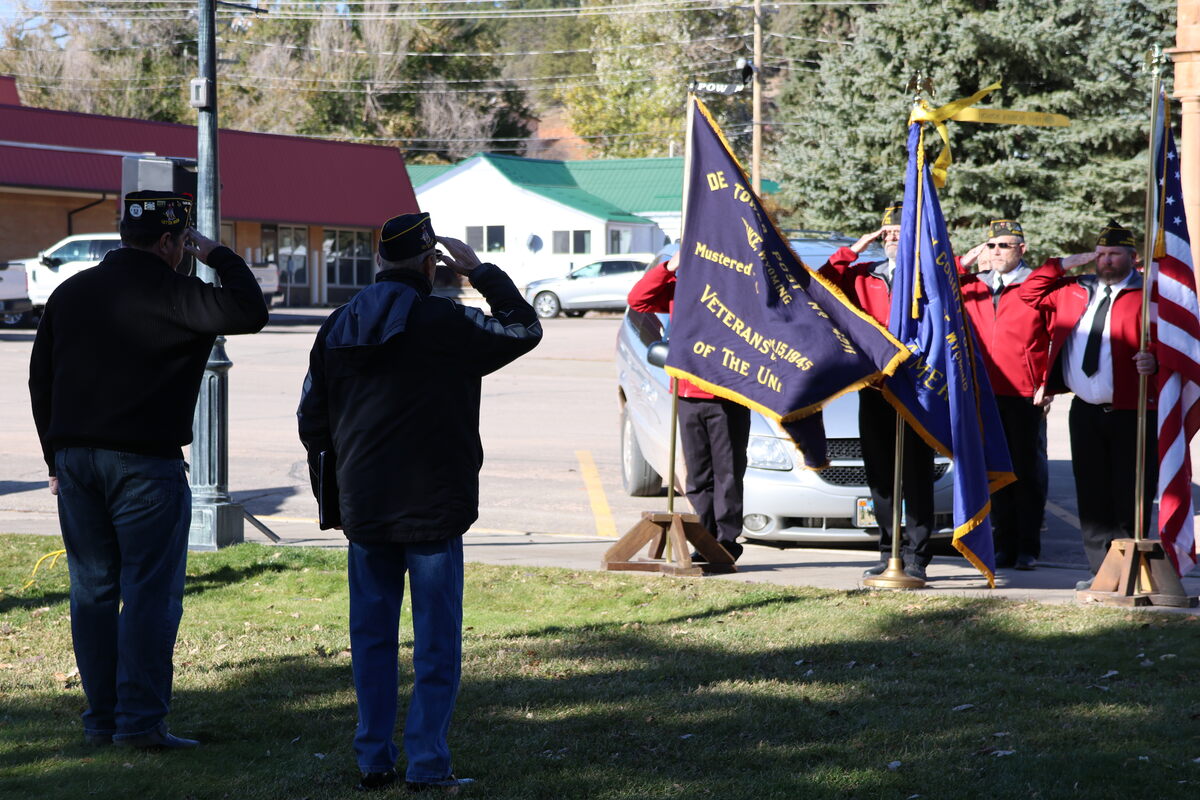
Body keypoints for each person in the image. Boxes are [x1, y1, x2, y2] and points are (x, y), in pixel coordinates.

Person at [297, 213, 542, 793]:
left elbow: (312, 419)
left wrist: (338, 485)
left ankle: (372, 759)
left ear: (379, 260)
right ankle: (429, 763)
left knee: (372, 640)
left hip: (365, 505)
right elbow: (523, 329)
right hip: (434, 505)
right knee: (435, 641)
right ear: (431, 264)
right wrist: (481, 272)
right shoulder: (448, 321)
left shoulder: (338, 324)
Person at [28, 191, 269, 749]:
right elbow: (250, 310)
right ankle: (139, 725)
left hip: (76, 462)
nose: (187, 250)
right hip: (145, 465)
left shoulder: (71, 292)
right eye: (183, 242)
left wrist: (53, 458)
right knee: (148, 594)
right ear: (168, 242)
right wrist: (219, 256)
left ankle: (102, 721)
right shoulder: (180, 293)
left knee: (91, 591)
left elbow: (41, 379)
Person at [1018, 220, 1157, 589]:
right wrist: (1066, 262)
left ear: (1133, 257)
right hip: (1085, 410)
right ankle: (1101, 574)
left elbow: (1177, 341)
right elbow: (1028, 293)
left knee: (1131, 492)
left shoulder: (1149, 294)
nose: (1107, 261)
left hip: (1134, 411)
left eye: (1114, 254)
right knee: (1092, 495)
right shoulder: (1075, 290)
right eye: (1101, 254)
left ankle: (1131, 571)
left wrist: (1155, 361)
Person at [820, 202, 937, 582]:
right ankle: (889, 551)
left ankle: (917, 555)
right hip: (874, 386)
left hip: (916, 387)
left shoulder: (927, 275)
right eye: (886, 234)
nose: (891, 240)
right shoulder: (862, 276)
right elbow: (820, 283)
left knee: (917, 474)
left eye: (899, 235)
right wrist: (854, 248)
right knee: (882, 475)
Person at [627, 250, 750, 562]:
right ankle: (704, 539)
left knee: (728, 474)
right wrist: (669, 266)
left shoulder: (738, 289)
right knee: (697, 476)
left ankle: (725, 543)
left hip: (727, 395)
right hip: (688, 391)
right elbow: (638, 300)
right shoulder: (679, 288)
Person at [957, 220, 1053, 570]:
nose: (996, 252)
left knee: (1026, 471)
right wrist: (964, 262)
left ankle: (1028, 547)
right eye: (992, 245)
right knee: (994, 470)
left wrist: (1048, 382)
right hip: (984, 393)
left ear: (1021, 250)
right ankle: (1003, 544)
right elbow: (933, 285)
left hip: (1025, 393)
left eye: (1005, 246)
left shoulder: (1037, 287)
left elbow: (1058, 335)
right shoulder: (972, 286)